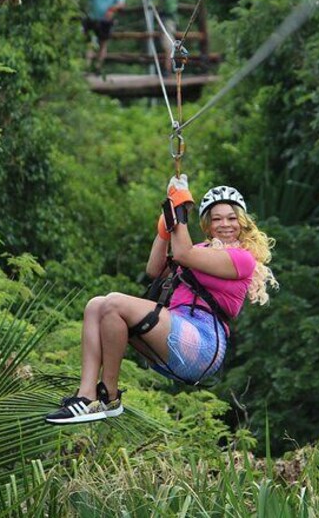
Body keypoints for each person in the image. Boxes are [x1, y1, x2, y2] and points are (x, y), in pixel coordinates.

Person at [45, 177, 277, 424]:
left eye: (231, 218)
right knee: (96, 305)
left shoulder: (242, 258)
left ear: (242, 222)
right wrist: (166, 226)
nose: (225, 224)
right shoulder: (199, 249)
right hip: (177, 332)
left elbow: (182, 254)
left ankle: (109, 397)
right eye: (217, 219)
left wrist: (178, 211)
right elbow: (155, 269)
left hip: (202, 341)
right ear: (208, 225)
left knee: (113, 303)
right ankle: (86, 396)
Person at [82, 0, 126, 72]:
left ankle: (97, 67)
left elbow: (121, 3)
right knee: (89, 44)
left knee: (102, 44)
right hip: (91, 18)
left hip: (105, 20)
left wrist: (112, 9)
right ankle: (87, 67)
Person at [146, 0, 180, 75]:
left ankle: (168, 70)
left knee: (168, 43)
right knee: (164, 43)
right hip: (163, 16)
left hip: (170, 17)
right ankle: (167, 69)